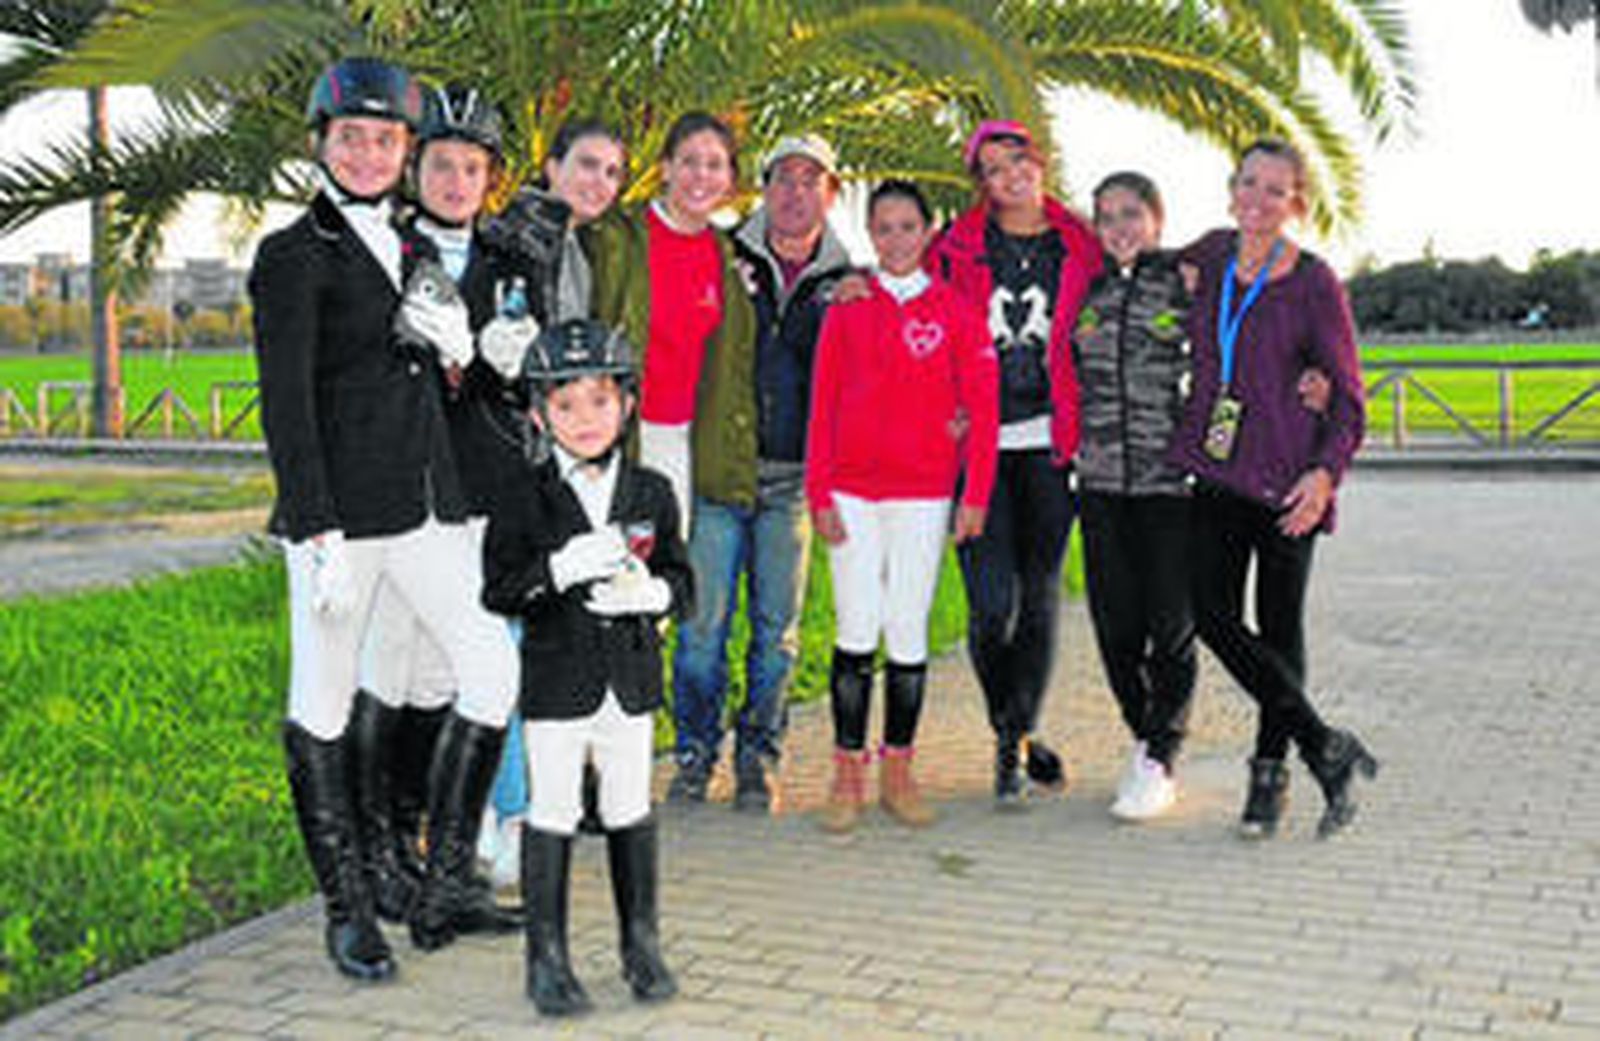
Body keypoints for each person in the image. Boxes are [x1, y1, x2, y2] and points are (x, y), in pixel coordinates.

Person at [249, 58, 519, 981]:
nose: (369, 153)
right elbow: (285, 401)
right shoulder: (291, 254)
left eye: (386, 139)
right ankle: (350, 905)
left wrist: (465, 361)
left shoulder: (406, 247)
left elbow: (427, 380)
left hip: (427, 504)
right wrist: (314, 526)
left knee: (489, 670)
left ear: (405, 151)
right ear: (321, 142)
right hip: (342, 519)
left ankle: (439, 879)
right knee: (321, 698)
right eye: (352, 137)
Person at [348, 81, 534, 937]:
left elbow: (524, 385)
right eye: (442, 164)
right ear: (414, 168)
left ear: (490, 179)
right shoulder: (379, 250)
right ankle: (387, 854)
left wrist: (502, 369)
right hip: (406, 491)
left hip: (484, 494)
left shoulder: (512, 262)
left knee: (451, 674)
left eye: (472, 167)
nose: (457, 180)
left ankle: (434, 863)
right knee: (394, 667)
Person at [1171, 138, 1378, 840]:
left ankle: (1270, 774)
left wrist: (1324, 475)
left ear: (1297, 203)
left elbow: (1348, 397)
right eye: (1248, 184)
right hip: (1220, 473)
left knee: (1280, 629)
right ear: (1231, 190)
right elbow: (1122, 256)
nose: (1258, 199)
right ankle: (1326, 745)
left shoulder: (1315, 282)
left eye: (1276, 189)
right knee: (1211, 614)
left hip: (1291, 482)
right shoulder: (1203, 256)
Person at [482, 318, 689, 1017]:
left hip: (628, 684)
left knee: (630, 802)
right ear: (540, 413)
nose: (586, 419)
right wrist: (555, 569)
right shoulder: (521, 492)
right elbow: (498, 587)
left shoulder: (654, 491)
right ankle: (546, 959)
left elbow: (682, 577)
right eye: (565, 405)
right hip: (556, 684)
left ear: (627, 404)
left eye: (600, 400)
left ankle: (641, 942)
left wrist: (656, 593)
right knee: (555, 809)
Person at [806, 180, 999, 833]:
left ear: (928, 231)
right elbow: (822, 402)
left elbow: (984, 408)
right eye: (882, 228)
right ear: (870, 233)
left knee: (906, 630)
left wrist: (975, 494)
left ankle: (899, 772)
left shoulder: (956, 311)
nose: (894, 239)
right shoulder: (848, 305)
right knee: (856, 629)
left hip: (923, 493)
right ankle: (846, 774)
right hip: (852, 493)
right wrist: (819, 491)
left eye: (907, 227)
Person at [669, 133, 853, 811]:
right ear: (762, 187)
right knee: (700, 633)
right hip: (720, 473)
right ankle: (693, 754)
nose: (796, 192)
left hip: (792, 483)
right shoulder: (720, 254)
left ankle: (759, 757)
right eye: (784, 178)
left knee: (777, 636)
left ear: (831, 194)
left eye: (812, 181)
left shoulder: (846, 281)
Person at [928, 119, 1103, 806]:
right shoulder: (956, 248)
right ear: (983, 184)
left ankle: (1011, 742)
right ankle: (1019, 731)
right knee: (988, 606)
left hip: (1051, 448)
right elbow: (917, 307)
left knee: (1038, 599)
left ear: (1041, 162)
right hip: (978, 452)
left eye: (1020, 160)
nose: (1012, 175)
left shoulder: (1079, 243)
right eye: (995, 169)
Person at [476, 117, 630, 884]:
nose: (598, 181)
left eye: (611, 172)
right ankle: (505, 816)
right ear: (550, 163)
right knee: (505, 653)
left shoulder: (572, 244)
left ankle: (519, 807)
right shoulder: (513, 238)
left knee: (528, 646)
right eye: (586, 164)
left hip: (548, 467)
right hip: (511, 470)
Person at [1072, 171, 1198, 822]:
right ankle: (1146, 735)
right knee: (1115, 625)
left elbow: (1226, 366)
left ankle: (1159, 756)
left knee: (1170, 628)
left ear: (1156, 218)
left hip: (1169, 487)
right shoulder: (1086, 293)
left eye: (1130, 213)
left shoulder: (1184, 281)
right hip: (1098, 484)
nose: (1118, 227)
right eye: (1106, 217)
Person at [589, 111, 755, 538]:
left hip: (680, 441)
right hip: (617, 434)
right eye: (689, 161)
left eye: (715, 164)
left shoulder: (722, 254)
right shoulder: (619, 236)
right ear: (665, 169)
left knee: (657, 581)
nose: (701, 175)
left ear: (730, 179)